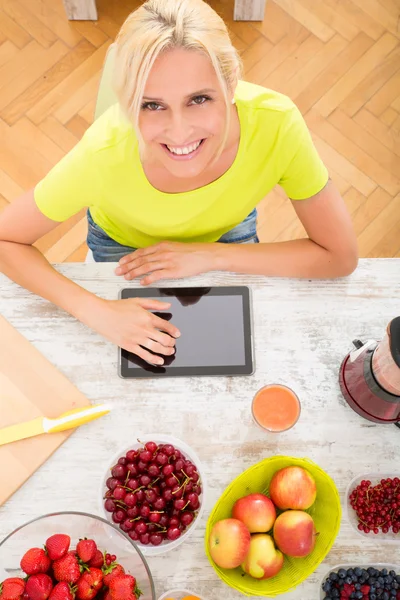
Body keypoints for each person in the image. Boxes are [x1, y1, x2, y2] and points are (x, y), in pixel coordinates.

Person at [0, 0, 358, 365]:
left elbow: (339, 256)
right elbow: (5, 239)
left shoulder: (277, 125)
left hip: (227, 235)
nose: (179, 132)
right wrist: (96, 310)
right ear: (126, 101)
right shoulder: (103, 154)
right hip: (124, 247)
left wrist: (211, 255)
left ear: (232, 81)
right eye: (151, 105)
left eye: (199, 99)